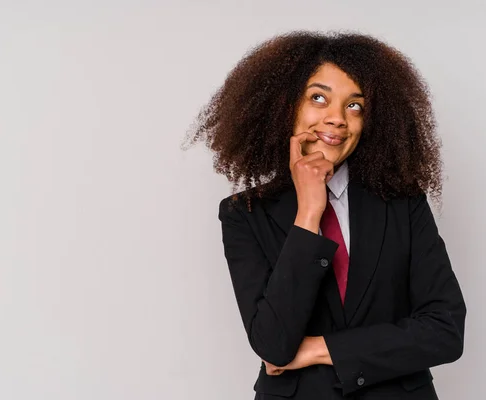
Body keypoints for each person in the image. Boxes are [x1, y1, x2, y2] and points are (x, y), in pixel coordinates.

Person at [184, 31, 466, 400]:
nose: (336, 119)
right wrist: (310, 212)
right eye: (318, 98)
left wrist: (321, 349)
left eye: (355, 106)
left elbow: (445, 331)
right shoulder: (244, 215)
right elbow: (273, 343)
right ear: (286, 106)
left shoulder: (403, 203)